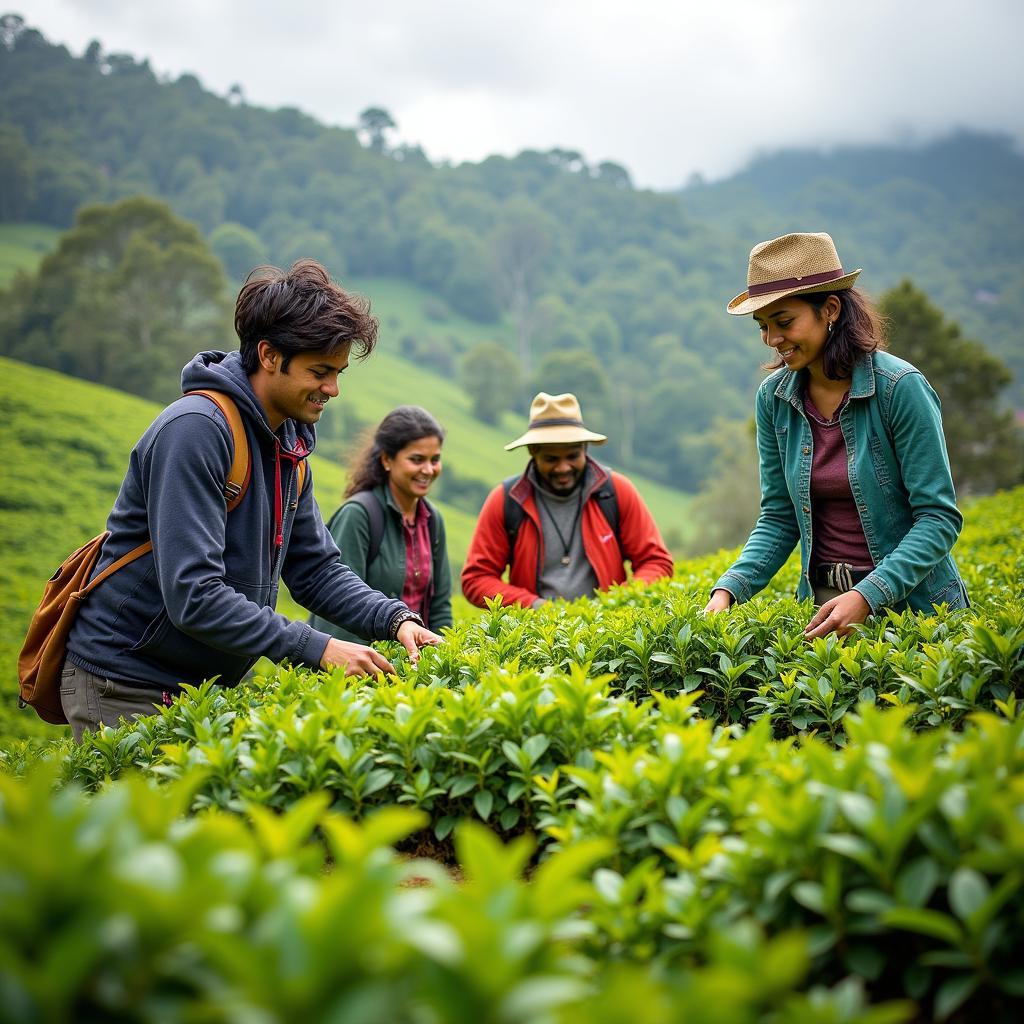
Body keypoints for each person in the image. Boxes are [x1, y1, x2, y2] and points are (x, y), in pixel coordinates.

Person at [61, 260, 440, 742]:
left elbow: (316, 570)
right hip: (127, 683)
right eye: (320, 371)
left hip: (206, 686)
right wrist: (319, 647)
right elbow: (194, 596)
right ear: (268, 354)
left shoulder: (289, 445)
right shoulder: (196, 431)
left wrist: (394, 618)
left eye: (339, 372)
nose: (333, 389)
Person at [704, 232, 968, 638]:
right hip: (823, 609)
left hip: (913, 609)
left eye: (784, 322)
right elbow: (779, 516)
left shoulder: (899, 388)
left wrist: (868, 594)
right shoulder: (775, 400)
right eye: (763, 326)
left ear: (829, 309)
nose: (773, 340)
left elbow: (938, 518)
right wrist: (728, 589)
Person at [461, 391, 674, 608]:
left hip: (608, 630)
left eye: (572, 456)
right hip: (537, 635)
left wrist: (618, 602)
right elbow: (476, 579)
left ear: (584, 448)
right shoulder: (508, 500)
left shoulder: (616, 491)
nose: (563, 468)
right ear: (533, 452)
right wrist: (533, 606)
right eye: (551, 459)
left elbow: (656, 562)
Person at [310, 406, 453, 642]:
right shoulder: (358, 515)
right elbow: (338, 604)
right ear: (387, 459)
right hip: (366, 665)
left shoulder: (432, 520)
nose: (428, 470)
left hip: (412, 668)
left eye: (434, 460)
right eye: (417, 460)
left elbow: (440, 608)